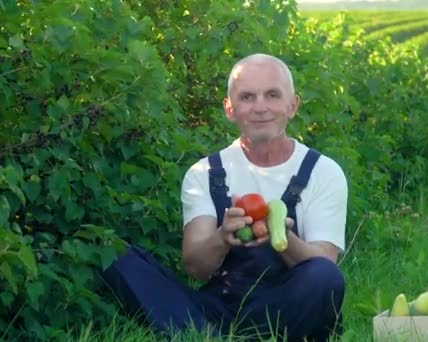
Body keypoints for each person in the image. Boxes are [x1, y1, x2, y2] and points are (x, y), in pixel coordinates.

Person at [101, 53, 349, 341]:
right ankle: (210, 335)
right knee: (120, 258)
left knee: (324, 277)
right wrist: (222, 237)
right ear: (230, 109)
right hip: (218, 308)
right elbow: (196, 268)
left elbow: (324, 261)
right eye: (247, 97)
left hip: (286, 306)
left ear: (292, 105)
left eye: (272, 95)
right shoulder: (205, 172)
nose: (260, 107)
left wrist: (280, 236)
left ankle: (204, 336)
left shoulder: (323, 171)